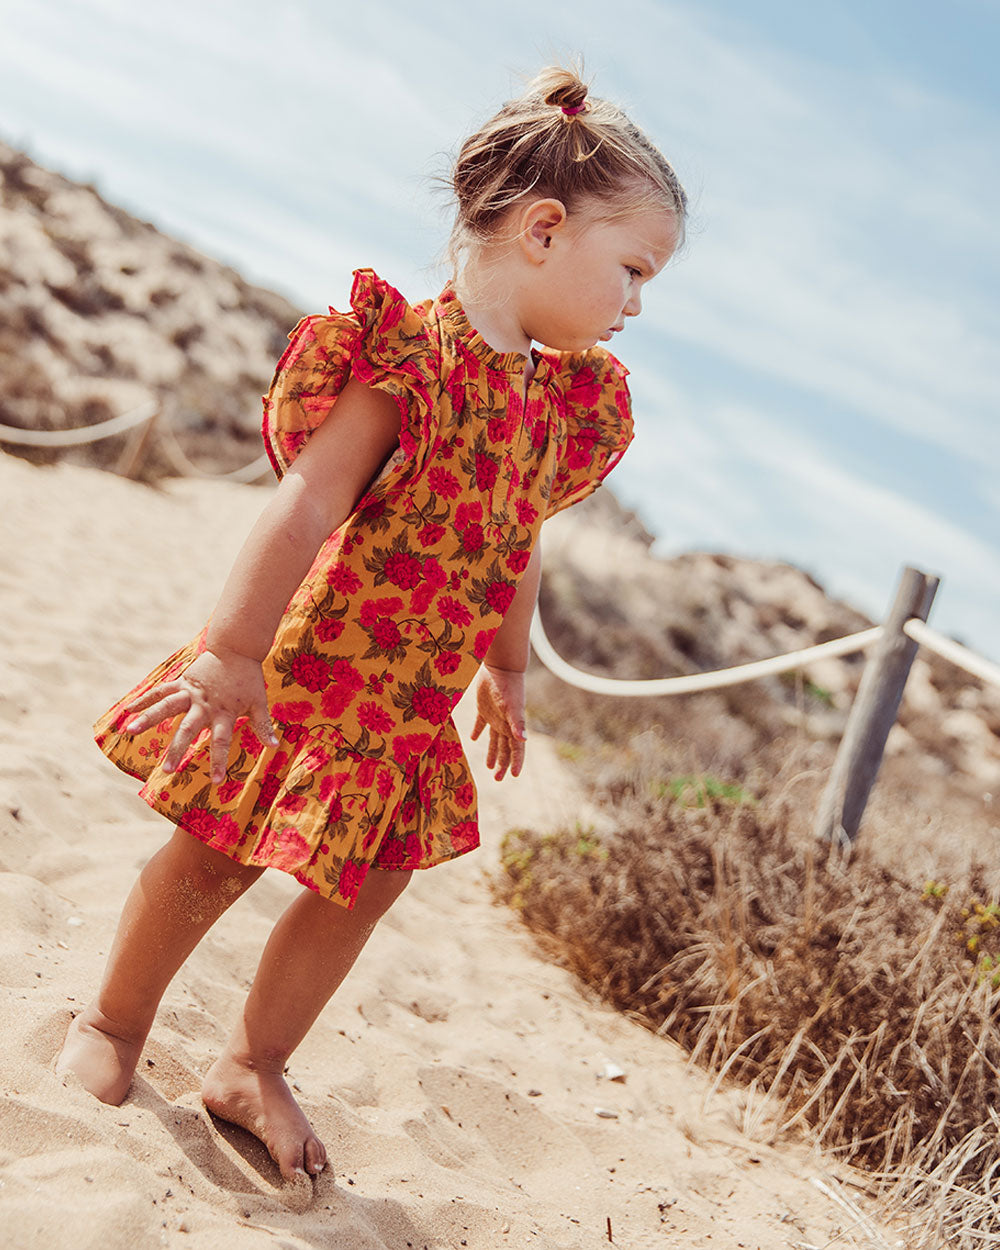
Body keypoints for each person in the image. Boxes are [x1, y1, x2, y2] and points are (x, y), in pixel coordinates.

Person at [56, 64, 686, 1182]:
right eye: (632, 269)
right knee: (215, 854)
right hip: (309, 669)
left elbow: (516, 538)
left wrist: (504, 666)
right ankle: (113, 1019)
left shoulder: (550, 402)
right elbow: (303, 502)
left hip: (410, 705)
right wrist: (232, 651)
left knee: (366, 878)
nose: (636, 302)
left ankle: (254, 1058)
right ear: (544, 230)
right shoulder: (411, 358)